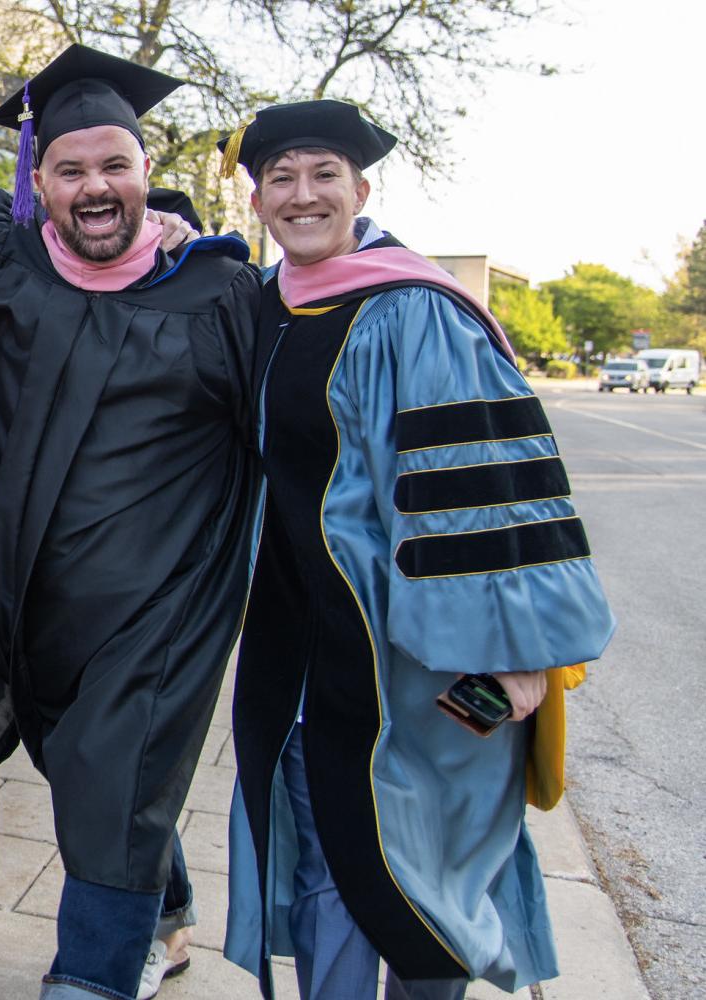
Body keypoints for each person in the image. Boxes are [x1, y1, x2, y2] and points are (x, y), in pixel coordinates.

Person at [217, 100, 616, 1000]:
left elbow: (484, 484)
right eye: (280, 178)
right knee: (327, 860)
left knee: (426, 870)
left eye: (324, 176)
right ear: (258, 201)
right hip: (299, 648)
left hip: (422, 662)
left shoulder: (414, 312)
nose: (302, 194)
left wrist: (516, 658)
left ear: (362, 189)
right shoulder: (269, 308)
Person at [0, 45, 262, 1000]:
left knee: (110, 776)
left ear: (147, 175)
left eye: (115, 165)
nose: (95, 186)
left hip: (163, 604)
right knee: (99, 781)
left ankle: (89, 978)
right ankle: (168, 925)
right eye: (70, 169)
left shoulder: (218, 291)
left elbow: (309, 417)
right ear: (38, 181)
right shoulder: (6, 273)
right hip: (38, 605)